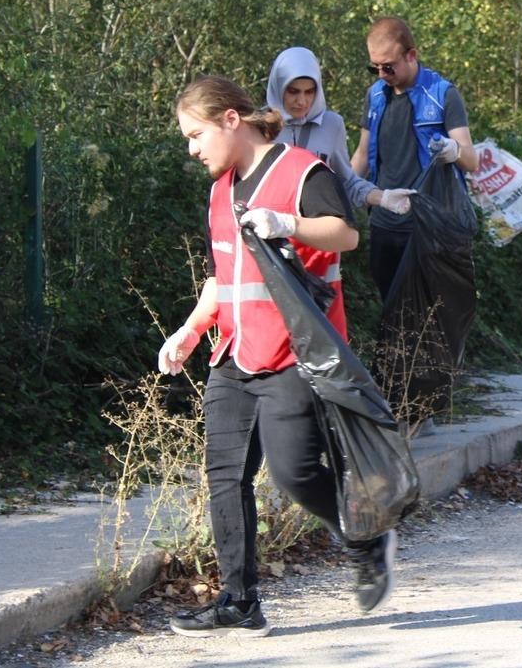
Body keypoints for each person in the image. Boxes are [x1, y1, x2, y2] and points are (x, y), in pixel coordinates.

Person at [157, 76, 396, 637]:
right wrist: (191, 330)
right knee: (224, 475)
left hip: (293, 352)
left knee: (291, 474)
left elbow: (345, 234)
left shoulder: (302, 171)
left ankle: (363, 534)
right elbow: (222, 275)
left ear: (231, 121)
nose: (193, 148)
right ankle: (239, 600)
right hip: (234, 352)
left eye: (196, 135)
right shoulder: (220, 190)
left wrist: (288, 223)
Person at [265, 47, 409, 341]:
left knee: (327, 338)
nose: (301, 101)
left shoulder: (331, 124)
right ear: (279, 87)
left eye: (309, 91)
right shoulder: (261, 127)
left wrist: (382, 197)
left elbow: (345, 181)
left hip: (320, 243)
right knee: (279, 336)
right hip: (273, 240)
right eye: (293, 91)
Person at [350, 16, 478, 299]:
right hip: (385, 221)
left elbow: (471, 160)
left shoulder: (442, 94)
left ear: (411, 55)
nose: (382, 73)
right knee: (391, 307)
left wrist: (453, 151)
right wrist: (339, 190)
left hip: (430, 226)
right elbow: (361, 154)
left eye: (388, 66)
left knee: (431, 311)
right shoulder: (375, 96)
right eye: (375, 67)